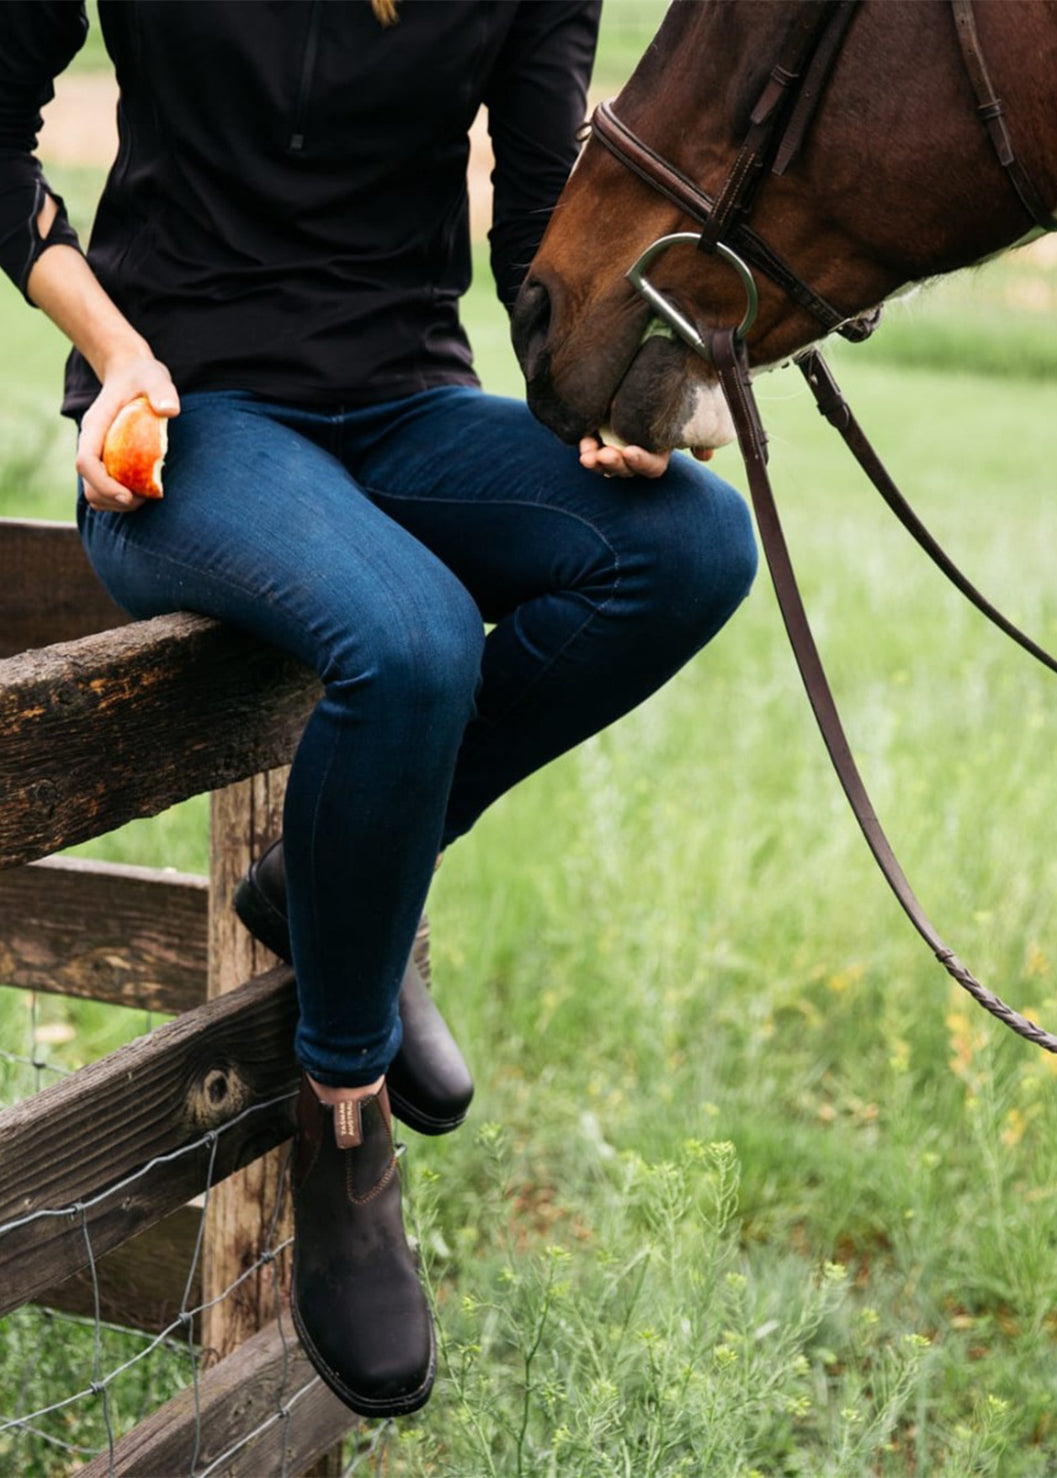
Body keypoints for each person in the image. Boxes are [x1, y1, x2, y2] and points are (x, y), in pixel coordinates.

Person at [0, 0, 758, 1419]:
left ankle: (341, 879)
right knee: (408, 639)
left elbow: (539, 207)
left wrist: (605, 385)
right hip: (185, 415)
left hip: (406, 405)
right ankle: (342, 1111)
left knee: (695, 547)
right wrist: (111, 347)